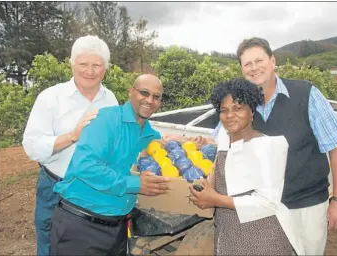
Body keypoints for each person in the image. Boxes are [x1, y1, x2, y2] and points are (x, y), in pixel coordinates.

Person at [212, 37, 337, 255]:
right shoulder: (240, 105)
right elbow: (221, 142)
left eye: (259, 60)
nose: (254, 68)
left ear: (273, 61)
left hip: (305, 204)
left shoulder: (306, 94)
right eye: (247, 64)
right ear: (241, 69)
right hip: (261, 208)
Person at [50, 74, 172, 255]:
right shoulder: (106, 119)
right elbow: (86, 166)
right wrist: (136, 184)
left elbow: (169, 157)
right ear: (131, 91)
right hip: (81, 227)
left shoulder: (151, 137)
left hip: (119, 230)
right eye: (144, 93)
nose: (149, 100)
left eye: (156, 97)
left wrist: (191, 142)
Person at [22, 35, 119, 256]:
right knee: (51, 246)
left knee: (90, 247)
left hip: (94, 191)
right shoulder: (51, 98)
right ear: (72, 63)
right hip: (56, 190)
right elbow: (32, 146)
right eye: (83, 64)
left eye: (97, 65)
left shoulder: (109, 99)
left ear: (105, 68)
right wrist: (72, 136)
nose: (90, 71)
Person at [190, 78, 304, 255]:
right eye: (224, 110)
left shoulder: (269, 147)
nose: (229, 115)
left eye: (238, 108)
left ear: (252, 111)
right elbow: (218, 173)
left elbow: (268, 203)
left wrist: (214, 199)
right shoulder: (225, 139)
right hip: (228, 233)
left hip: (262, 238)